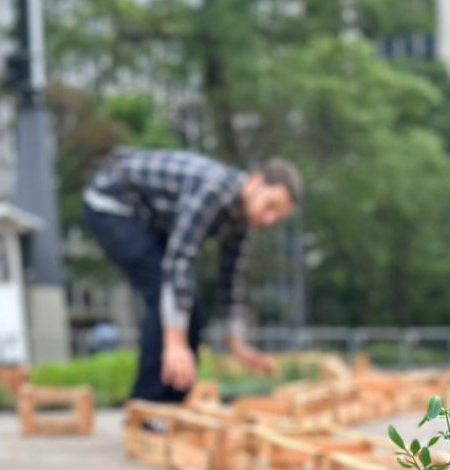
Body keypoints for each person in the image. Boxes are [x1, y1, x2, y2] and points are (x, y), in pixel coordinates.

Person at [82, 148, 302, 403]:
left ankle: (174, 404)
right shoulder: (214, 191)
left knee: (190, 307)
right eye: (270, 206)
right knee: (163, 293)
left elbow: (230, 283)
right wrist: (175, 344)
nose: (269, 219)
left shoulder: (240, 219)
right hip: (113, 205)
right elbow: (179, 262)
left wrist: (237, 344)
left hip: (148, 219)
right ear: (255, 182)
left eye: (277, 216)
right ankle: (148, 408)